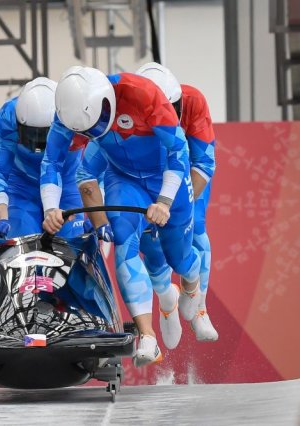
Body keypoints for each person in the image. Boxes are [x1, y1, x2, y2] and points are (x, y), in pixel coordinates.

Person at [42, 66, 201, 367]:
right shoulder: (66, 112)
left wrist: (164, 201)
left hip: (167, 178)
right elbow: (52, 162)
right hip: (124, 178)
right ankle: (147, 337)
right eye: (87, 130)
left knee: (179, 259)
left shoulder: (143, 93)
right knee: (124, 242)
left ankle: (192, 287)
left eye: (98, 122)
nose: (94, 131)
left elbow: (178, 151)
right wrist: (51, 207)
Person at [136, 62, 218, 345]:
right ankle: (166, 300)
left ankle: (200, 306)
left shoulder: (193, 101)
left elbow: (203, 162)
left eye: (173, 109)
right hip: (147, 175)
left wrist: (177, 203)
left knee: (196, 227)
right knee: (150, 240)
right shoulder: (127, 113)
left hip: (186, 174)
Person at [0, 77, 89, 239]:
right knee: (22, 242)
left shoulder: (74, 115)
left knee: (73, 244)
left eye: (46, 135)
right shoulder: (8, 115)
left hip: (67, 186)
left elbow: (96, 165)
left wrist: (96, 214)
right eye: (31, 134)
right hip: (21, 188)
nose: (38, 144)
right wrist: (2, 218)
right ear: (18, 123)